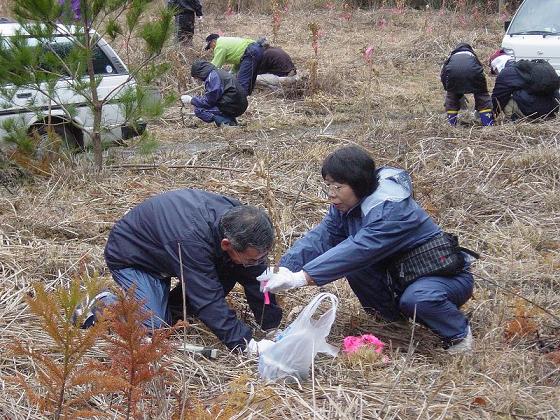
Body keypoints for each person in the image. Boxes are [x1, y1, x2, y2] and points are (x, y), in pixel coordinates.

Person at [257, 146, 476, 354]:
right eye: (328, 186)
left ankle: (457, 332)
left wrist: (302, 278)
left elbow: (359, 249)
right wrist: (284, 268)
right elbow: (322, 237)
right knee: (357, 269)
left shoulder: (391, 209)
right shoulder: (346, 206)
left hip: (441, 277)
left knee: (417, 298)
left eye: (338, 187)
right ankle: (390, 322)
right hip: (400, 276)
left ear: (359, 184)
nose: (331, 194)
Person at [81, 189, 281, 352]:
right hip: (134, 258)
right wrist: (245, 343)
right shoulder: (192, 240)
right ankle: (103, 303)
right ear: (227, 244)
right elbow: (207, 297)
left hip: (167, 254)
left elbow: (257, 276)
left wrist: (271, 325)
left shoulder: (241, 222)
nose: (256, 263)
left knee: (232, 269)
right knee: (155, 326)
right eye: (251, 259)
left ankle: (164, 305)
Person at [489, 50, 560, 121]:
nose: (496, 74)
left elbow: (497, 100)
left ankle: (513, 120)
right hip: (553, 111)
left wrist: (489, 117)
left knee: (506, 98)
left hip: (535, 113)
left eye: (495, 72)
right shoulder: (526, 69)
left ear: (496, 67)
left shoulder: (506, 73)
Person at [181, 60, 248, 127]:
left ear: (200, 73)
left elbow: (209, 102)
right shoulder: (218, 72)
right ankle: (230, 120)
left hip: (233, 106)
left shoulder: (213, 78)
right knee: (216, 104)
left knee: (199, 110)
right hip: (238, 103)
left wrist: (191, 100)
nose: (198, 79)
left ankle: (225, 122)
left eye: (197, 77)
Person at [440, 43, 494, 126]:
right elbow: (480, 70)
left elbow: (443, 74)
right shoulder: (472, 55)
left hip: (453, 75)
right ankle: (488, 124)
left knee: (452, 98)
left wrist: (448, 89)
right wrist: (482, 88)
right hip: (474, 74)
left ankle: (451, 124)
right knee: (482, 97)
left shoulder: (452, 57)